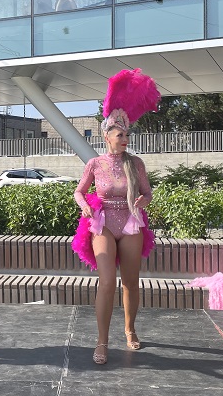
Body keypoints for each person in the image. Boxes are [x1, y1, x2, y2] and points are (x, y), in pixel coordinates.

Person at [72, 69, 159, 365]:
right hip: (103, 223)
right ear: (107, 137)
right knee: (107, 280)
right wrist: (84, 205)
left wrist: (142, 199)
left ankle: (130, 329)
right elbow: (78, 192)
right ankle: (102, 341)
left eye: (127, 134)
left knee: (131, 282)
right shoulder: (95, 163)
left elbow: (148, 193)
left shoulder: (136, 163)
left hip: (131, 222)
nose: (125, 138)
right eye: (120, 134)